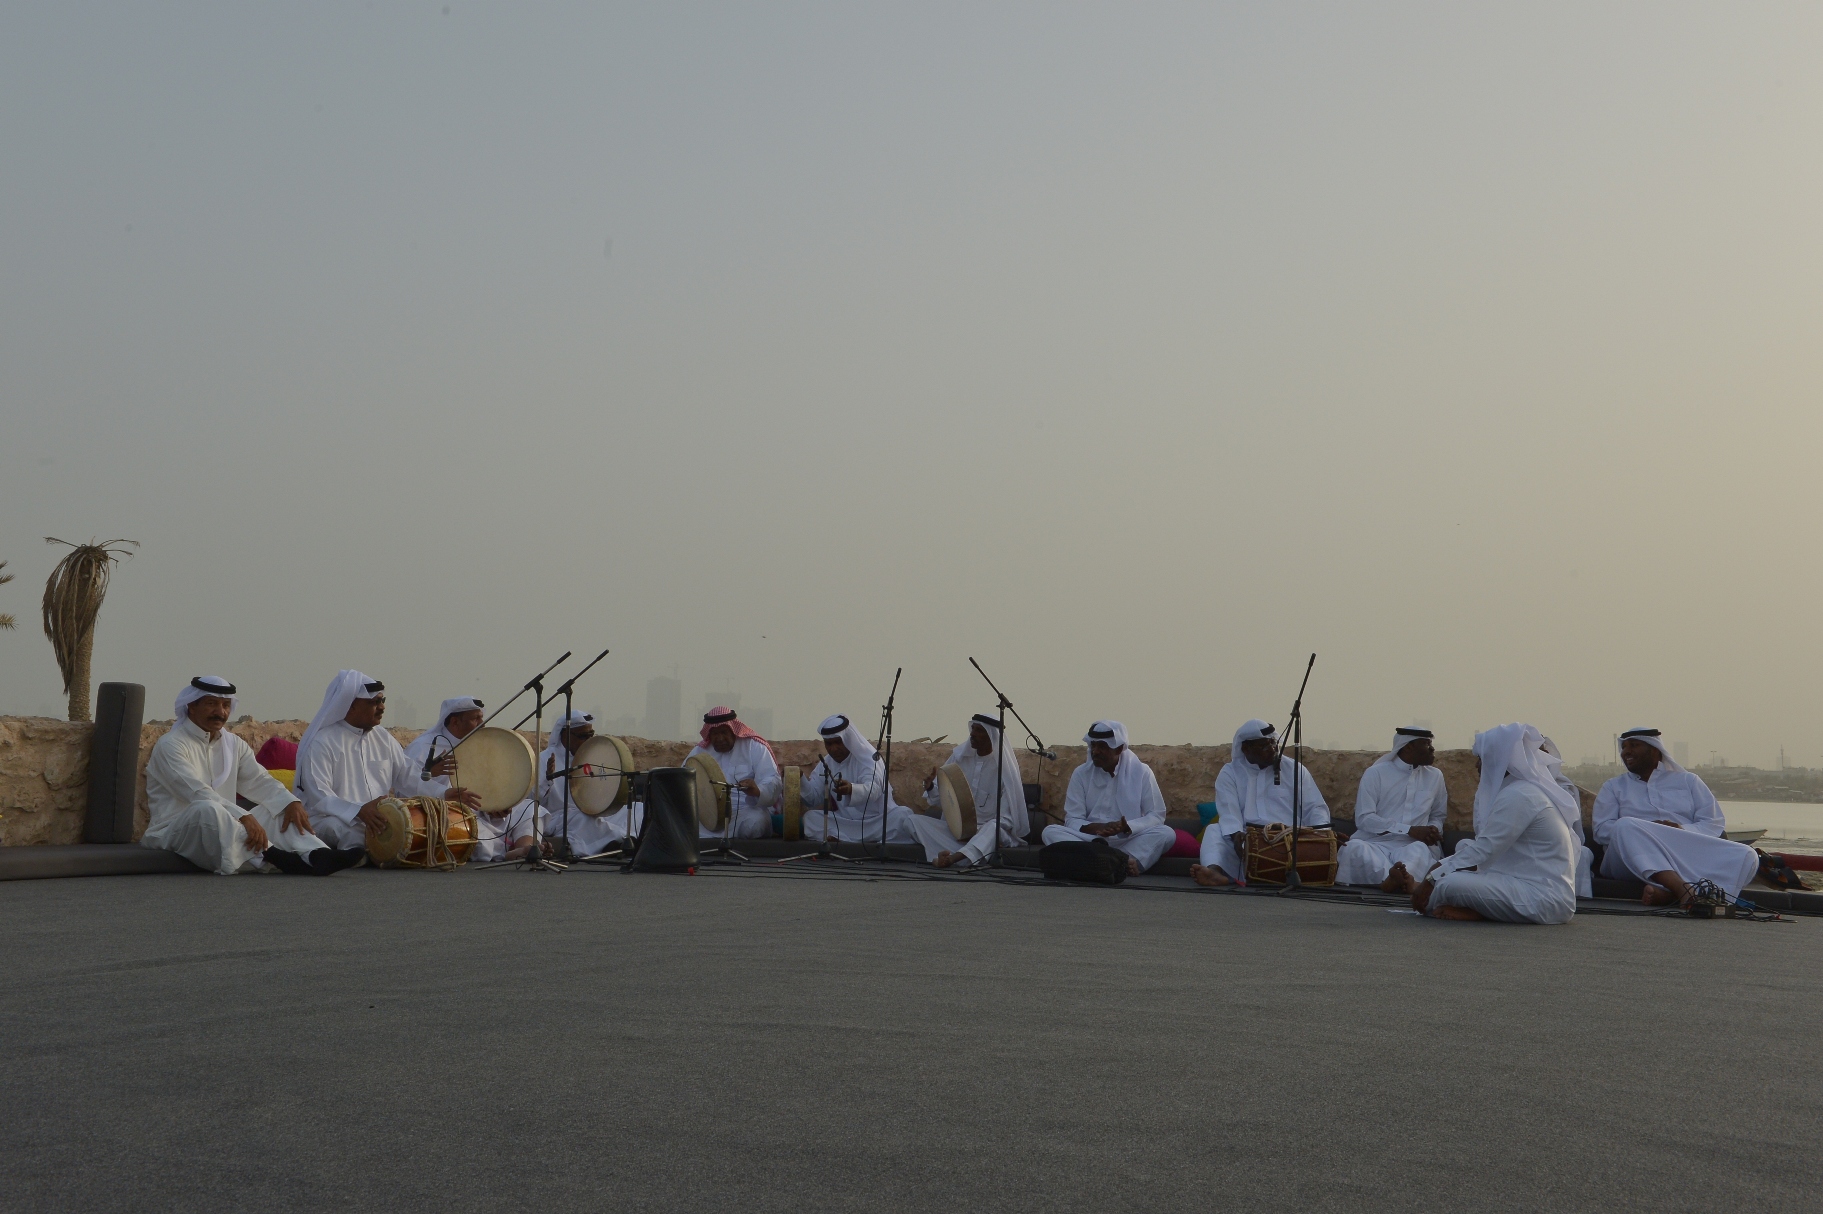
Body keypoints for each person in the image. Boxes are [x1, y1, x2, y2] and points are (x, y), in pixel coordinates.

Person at [142, 676, 362, 875]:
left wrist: (290, 802)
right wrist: (243, 816)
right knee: (207, 809)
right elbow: (197, 793)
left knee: (278, 808)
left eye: (226, 705)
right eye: (211, 704)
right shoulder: (171, 745)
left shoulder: (233, 744)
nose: (220, 712)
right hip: (175, 831)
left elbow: (259, 781)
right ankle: (276, 857)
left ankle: (316, 854)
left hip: (227, 823)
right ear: (191, 706)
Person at [1409, 723, 1578, 923]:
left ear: (1497, 759)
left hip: (1543, 898)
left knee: (1448, 884)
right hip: (1523, 886)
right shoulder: (1517, 790)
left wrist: (1432, 879)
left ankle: (1468, 909)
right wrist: (1435, 873)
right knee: (1452, 869)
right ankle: (1476, 909)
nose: (1476, 765)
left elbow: (1484, 850)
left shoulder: (1521, 794)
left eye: (1481, 758)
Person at [295, 670, 478, 851]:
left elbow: (408, 774)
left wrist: (443, 793)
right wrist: (358, 810)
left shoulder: (382, 737)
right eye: (374, 702)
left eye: (382, 701)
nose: (382, 707)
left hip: (378, 818)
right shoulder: (322, 742)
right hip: (332, 817)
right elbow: (319, 795)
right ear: (350, 706)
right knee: (347, 832)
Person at [1592, 727, 1758, 906]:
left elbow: (1713, 823)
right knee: (1624, 826)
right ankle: (1682, 890)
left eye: (1634, 745)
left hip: (1680, 852)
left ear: (1654, 750)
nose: (1626, 752)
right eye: (1624, 747)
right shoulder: (1613, 787)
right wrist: (1649, 830)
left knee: (1747, 855)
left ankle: (1670, 894)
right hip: (1627, 859)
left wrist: (1681, 829)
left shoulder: (1688, 781)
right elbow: (1601, 830)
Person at [403, 695, 546, 863]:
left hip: (479, 810)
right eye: (475, 719)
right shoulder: (424, 747)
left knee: (529, 808)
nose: (482, 723)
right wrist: (430, 772)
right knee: (466, 827)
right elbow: (404, 788)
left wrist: (495, 806)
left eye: (481, 717)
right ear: (455, 722)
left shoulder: (478, 745)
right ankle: (508, 854)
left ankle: (525, 847)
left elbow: (486, 784)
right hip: (447, 812)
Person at [1192, 719, 1331, 887]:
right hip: (1248, 841)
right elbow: (1229, 811)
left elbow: (1315, 807)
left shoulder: (1294, 769)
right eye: (1264, 746)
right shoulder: (1230, 773)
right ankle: (1214, 872)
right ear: (1245, 749)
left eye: (1273, 743)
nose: (1272, 749)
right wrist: (1236, 834)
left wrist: (1321, 835)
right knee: (1214, 831)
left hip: (1289, 840)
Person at [1041, 720, 1174, 876]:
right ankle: (1121, 861)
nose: (1095, 751)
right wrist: (1098, 828)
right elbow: (1072, 819)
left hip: (1127, 839)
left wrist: (1126, 827)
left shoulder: (1142, 772)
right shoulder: (1081, 773)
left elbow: (1156, 815)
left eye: (1102, 747)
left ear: (1118, 748)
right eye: (1093, 746)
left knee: (1166, 833)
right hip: (1090, 840)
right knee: (1050, 831)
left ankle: (1105, 861)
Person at [910, 713, 1030, 868]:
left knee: (993, 828)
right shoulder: (959, 759)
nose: (972, 733)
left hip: (987, 831)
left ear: (992, 736)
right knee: (912, 821)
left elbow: (1006, 819)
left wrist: (976, 834)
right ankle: (970, 855)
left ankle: (953, 858)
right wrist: (932, 788)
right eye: (973, 728)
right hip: (957, 831)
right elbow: (944, 801)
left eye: (979, 730)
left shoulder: (1004, 770)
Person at [1335, 727, 1446, 890]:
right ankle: (1395, 880)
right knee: (1353, 848)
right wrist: (1408, 829)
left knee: (1419, 851)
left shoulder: (1435, 776)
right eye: (1426, 744)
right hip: (1375, 843)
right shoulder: (1376, 773)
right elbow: (1364, 818)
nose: (1432, 749)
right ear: (1409, 746)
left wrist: (1433, 830)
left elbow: (1438, 814)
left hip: (1412, 845)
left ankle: (1393, 879)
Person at [800, 714, 917, 845]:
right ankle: (850, 837)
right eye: (829, 744)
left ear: (848, 739)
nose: (834, 748)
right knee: (810, 818)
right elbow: (813, 798)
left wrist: (851, 789)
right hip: (846, 822)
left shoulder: (869, 758)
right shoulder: (825, 763)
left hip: (878, 820)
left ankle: (843, 838)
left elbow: (874, 789)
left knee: (904, 815)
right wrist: (800, 780)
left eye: (838, 742)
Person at [538, 711, 641, 857]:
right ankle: (617, 843)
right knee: (584, 820)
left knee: (638, 809)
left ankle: (626, 840)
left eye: (591, 735)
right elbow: (534, 801)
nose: (588, 741)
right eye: (583, 736)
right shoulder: (544, 759)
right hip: (559, 816)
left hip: (592, 810)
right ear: (565, 735)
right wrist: (548, 779)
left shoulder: (592, 756)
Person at [686, 706, 781, 839]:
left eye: (724, 732)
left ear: (733, 731)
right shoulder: (700, 752)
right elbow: (684, 780)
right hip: (708, 815)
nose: (719, 738)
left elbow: (772, 778)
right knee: (680, 822)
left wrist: (757, 790)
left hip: (744, 810)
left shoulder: (753, 746)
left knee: (755, 823)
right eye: (715, 734)